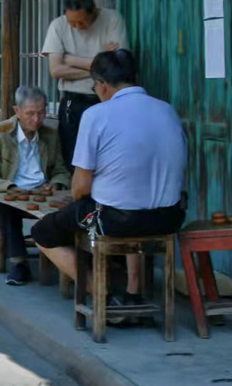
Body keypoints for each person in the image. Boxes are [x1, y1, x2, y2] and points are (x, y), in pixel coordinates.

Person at [31, 49, 187, 307]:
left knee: (42, 232)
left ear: (102, 85)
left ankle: (102, 291)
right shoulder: (167, 111)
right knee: (127, 199)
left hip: (116, 221)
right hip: (168, 219)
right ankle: (133, 290)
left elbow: (80, 188)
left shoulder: (96, 115)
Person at [0, 85, 72, 286]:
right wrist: (10, 187)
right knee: (6, 206)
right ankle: (19, 263)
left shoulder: (50, 135)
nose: (36, 119)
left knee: (70, 206)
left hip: (42, 192)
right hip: (10, 191)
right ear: (17, 111)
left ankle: (65, 261)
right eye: (30, 113)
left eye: (41, 113)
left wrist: (55, 183)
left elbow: (61, 170)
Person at [41, 0, 128, 167]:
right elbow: (56, 71)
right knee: (73, 158)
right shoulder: (58, 26)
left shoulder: (112, 19)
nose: (77, 27)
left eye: (82, 22)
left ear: (93, 10)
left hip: (105, 100)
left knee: (106, 158)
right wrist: (99, 62)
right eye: (72, 23)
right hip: (73, 102)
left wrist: (71, 59)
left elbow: (117, 65)